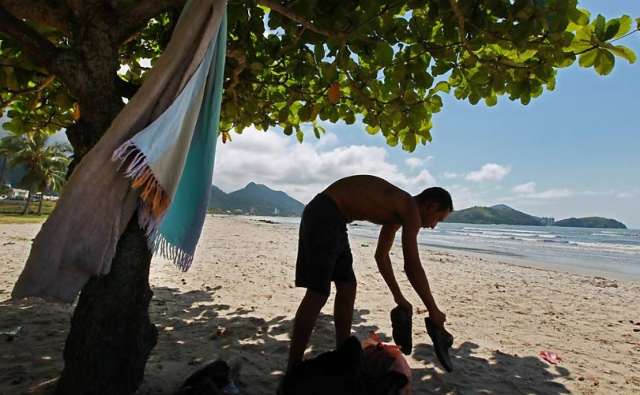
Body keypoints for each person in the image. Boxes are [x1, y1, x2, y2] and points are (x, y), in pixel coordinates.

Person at [287, 175, 453, 371]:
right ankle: (294, 367)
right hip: (325, 214)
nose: (434, 226)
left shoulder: (398, 213)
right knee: (318, 293)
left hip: (336, 220)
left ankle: (343, 355)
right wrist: (433, 309)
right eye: (438, 219)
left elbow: (381, 256)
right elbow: (412, 266)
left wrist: (399, 298)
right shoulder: (409, 209)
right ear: (431, 206)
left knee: (347, 287)